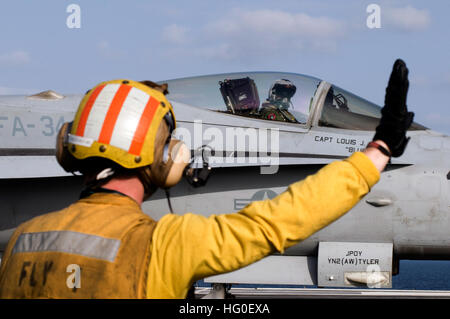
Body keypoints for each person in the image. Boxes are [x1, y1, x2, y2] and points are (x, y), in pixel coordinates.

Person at [0, 59, 414, 298]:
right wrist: (375, 153)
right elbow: (276, 222)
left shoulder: (22, 242)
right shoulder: (164, 245)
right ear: (162, 158)